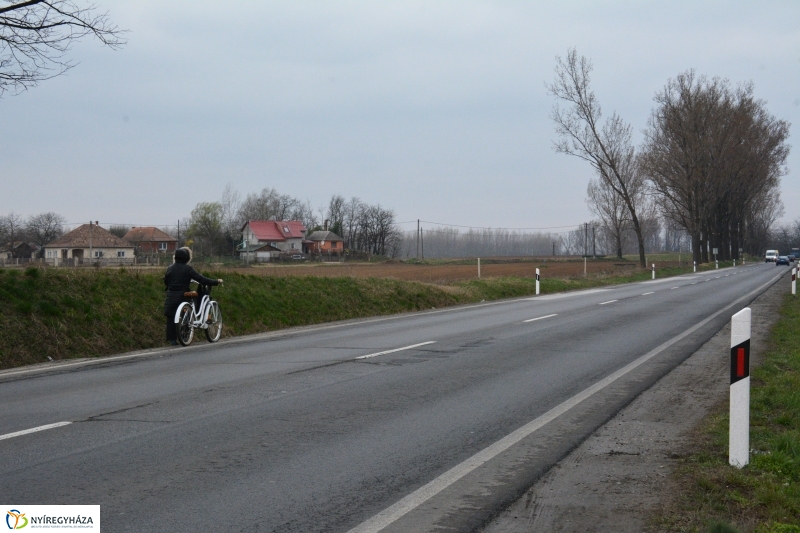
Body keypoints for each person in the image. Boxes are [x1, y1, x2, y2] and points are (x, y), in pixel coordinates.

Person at [164, 247, 223, 345]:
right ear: (186, 258)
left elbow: (166, 281)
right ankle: (186, 334)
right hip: (183, 295)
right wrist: (215, 281)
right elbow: (201, 279)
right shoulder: (188, 269)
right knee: (191, 305)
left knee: (171, 316)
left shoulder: (170, 268)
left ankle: (173, 340)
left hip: (171, 295)